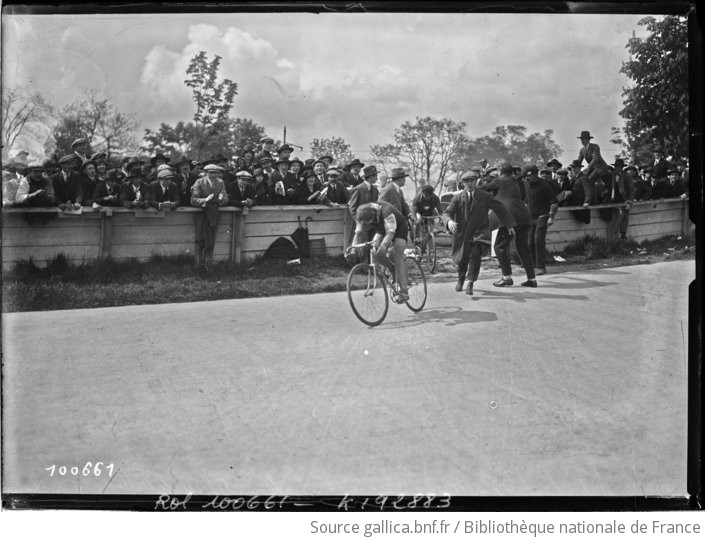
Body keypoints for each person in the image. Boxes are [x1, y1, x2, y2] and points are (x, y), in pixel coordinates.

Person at [443, 170, 516, 295]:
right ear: (463, 183)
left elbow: (499, 208)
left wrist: (509, 224)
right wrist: (449, 222)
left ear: (476, 182)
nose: (470, 184)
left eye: (472, 181)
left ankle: (471, 281)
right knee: (462, 259)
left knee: (475, 256)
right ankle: (460, 280)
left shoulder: (484, 196)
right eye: (466, 181)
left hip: (479, 232)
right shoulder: (458, 198)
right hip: (463, 233)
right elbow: (447, 213)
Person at [481, 163, 537, 287]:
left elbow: (483, 189)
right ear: (512, 172)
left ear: (501, 171)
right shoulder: (517, 181)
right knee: (523, 248)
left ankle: (506, 277)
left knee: (499, 247)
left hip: (510, 218)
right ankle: (531, 279)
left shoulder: (499, 180)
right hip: (524, 217)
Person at [352, 200, 410, 301]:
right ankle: (392, 269)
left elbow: (391, 233)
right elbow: (358, 231)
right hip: (382, 229)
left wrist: (383, 247)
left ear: (374, 216)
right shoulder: (362, 213)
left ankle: (404, 291)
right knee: (375, 250)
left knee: (398, 250)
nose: (368, 224)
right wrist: (352, 249)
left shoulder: (387, 212)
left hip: (399, 228)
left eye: (369, 222)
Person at [190, 164, 230, 269]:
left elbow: (226, 199)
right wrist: (205, 200)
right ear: (206, 173)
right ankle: (197, 266)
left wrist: (221, 199)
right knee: (200, 240)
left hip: (214, 214)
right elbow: (193, 200)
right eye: (211, 173)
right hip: (202, 214)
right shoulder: (199, 182)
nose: (213, 175)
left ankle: (208, 266)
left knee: (210, 240)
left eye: (215, 173)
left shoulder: (221, 182)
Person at [523, 165, 558, 275]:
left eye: (529, 176)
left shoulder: (544, 185)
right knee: (529, 243)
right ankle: (531, 265)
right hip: (530, 217)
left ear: (535, 175)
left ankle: (541, 267)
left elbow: (554, 202)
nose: (527, 179)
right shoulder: (526, 184)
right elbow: (527, 201)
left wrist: (551, 217)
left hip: (542, 217)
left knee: (538, 241)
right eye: (526, 177)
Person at [575, 130, 610, 207]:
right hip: (593, 168)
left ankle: (589, 200)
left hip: (601, 167)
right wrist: (573, 167)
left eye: (584, 139)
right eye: (581, 139)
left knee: (589, 180)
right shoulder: (582, 150)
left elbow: (596, 158)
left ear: (588, 139)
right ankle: (594, 200)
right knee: (584, 179)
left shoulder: (595, 146)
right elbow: (579, 161)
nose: (582, 141)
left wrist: (588, 167)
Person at [604, 158, 636, 240]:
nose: (616, 168)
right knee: (612, 218)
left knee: (623, 216)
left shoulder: (626, 175)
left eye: (618, 166)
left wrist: (630, 200)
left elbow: (631, 189)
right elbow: (610, 186)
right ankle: (611, 237)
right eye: (615, 166)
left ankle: (620, 235)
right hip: (613, 199)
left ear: (622, 167)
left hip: (623, 199)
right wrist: (606, 191)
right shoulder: (612, 175)